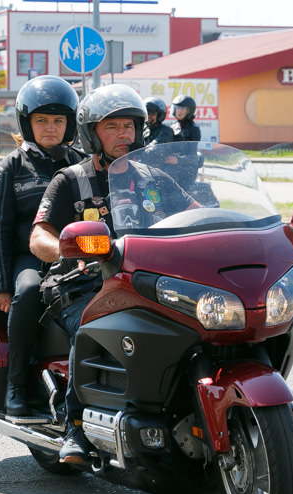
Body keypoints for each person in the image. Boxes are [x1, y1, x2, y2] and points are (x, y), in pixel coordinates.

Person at [29, 84, 198, 464]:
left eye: (130, 127)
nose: (125, 135)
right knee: (91, 328)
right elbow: (39, 235)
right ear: (92, 133)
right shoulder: (71, 180)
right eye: (113, 127)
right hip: (85, 283)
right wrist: (68, 250)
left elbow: (197, 212)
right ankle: (75, 427)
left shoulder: (154, 177)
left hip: (147, 280)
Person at [0, 75, 84, 416]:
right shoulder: (10, 167)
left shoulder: (81, 163)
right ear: (28, 123)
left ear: (70, 123)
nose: (50, 128)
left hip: (81, 255)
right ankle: (16, 384)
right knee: (28, 291)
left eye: (58, 120)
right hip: (30, 258)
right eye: (42, 121)